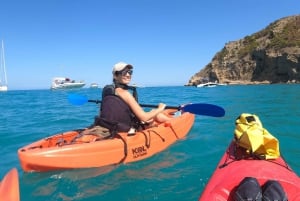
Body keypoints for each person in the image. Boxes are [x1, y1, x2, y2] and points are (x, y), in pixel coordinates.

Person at [98, 61, 172, 134]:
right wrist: (160, 108)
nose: (128, 75)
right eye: (124, 72)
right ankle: (176, 121)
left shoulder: (108, 90)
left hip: (112, 126)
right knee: (157, 114)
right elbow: (144, 117)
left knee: (153, 113)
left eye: (130, 72)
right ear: (115, 75)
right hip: (127, 128)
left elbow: (102, 113)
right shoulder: (124, 93)